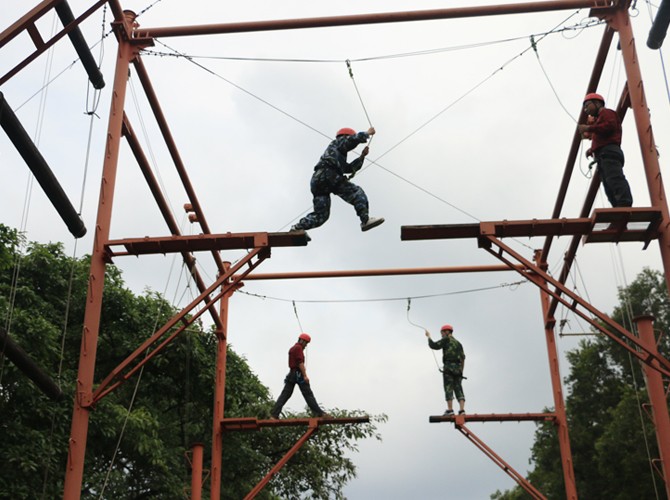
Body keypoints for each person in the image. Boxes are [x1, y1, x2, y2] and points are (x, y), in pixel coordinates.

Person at [290, 127, 384, 237]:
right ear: (345, 136)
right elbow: (351, 140)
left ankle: (298, 227)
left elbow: (349, 168)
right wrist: (367, 133)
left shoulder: (337, 153)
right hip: (329, 175)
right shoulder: (338, 142)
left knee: (321, 215)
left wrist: (362, 156)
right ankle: (365, 220)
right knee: (357, 193)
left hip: (318, 181)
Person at [577, 93, 633, 208]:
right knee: (608, 184)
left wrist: (589, 128)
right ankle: (617, 207)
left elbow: (609, 127)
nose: (586, 109)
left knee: (614, 178)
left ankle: (624, 203)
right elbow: (603, 136)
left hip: (609, 152)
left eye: (587, 105)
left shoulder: (606, 113)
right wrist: (592, 149)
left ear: (597, 103)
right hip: (603, 154)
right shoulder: (599, 119)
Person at [270, 333, 328, 419]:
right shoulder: (298, 348)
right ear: (302, 341)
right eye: (306, 343)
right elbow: (300, 363)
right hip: (298, 374)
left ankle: (274, 414)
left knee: (285, 395)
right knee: (308, 394)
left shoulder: (293, 348)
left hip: (291, 374)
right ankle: (320, 413)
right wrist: (305, 376)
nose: (306, 345)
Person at [426, 324, 466, 416]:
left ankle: (450, 410)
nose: (441, 335)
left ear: (446, 332)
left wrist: (428, 337)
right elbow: (463, 358)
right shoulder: (459, 343)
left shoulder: (446, 339)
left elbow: (434, 345)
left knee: (448, 388)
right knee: (459, 389)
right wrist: (461, 371)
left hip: (448, 368)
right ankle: (462, 410)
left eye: (442, 333)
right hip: (458, 369)